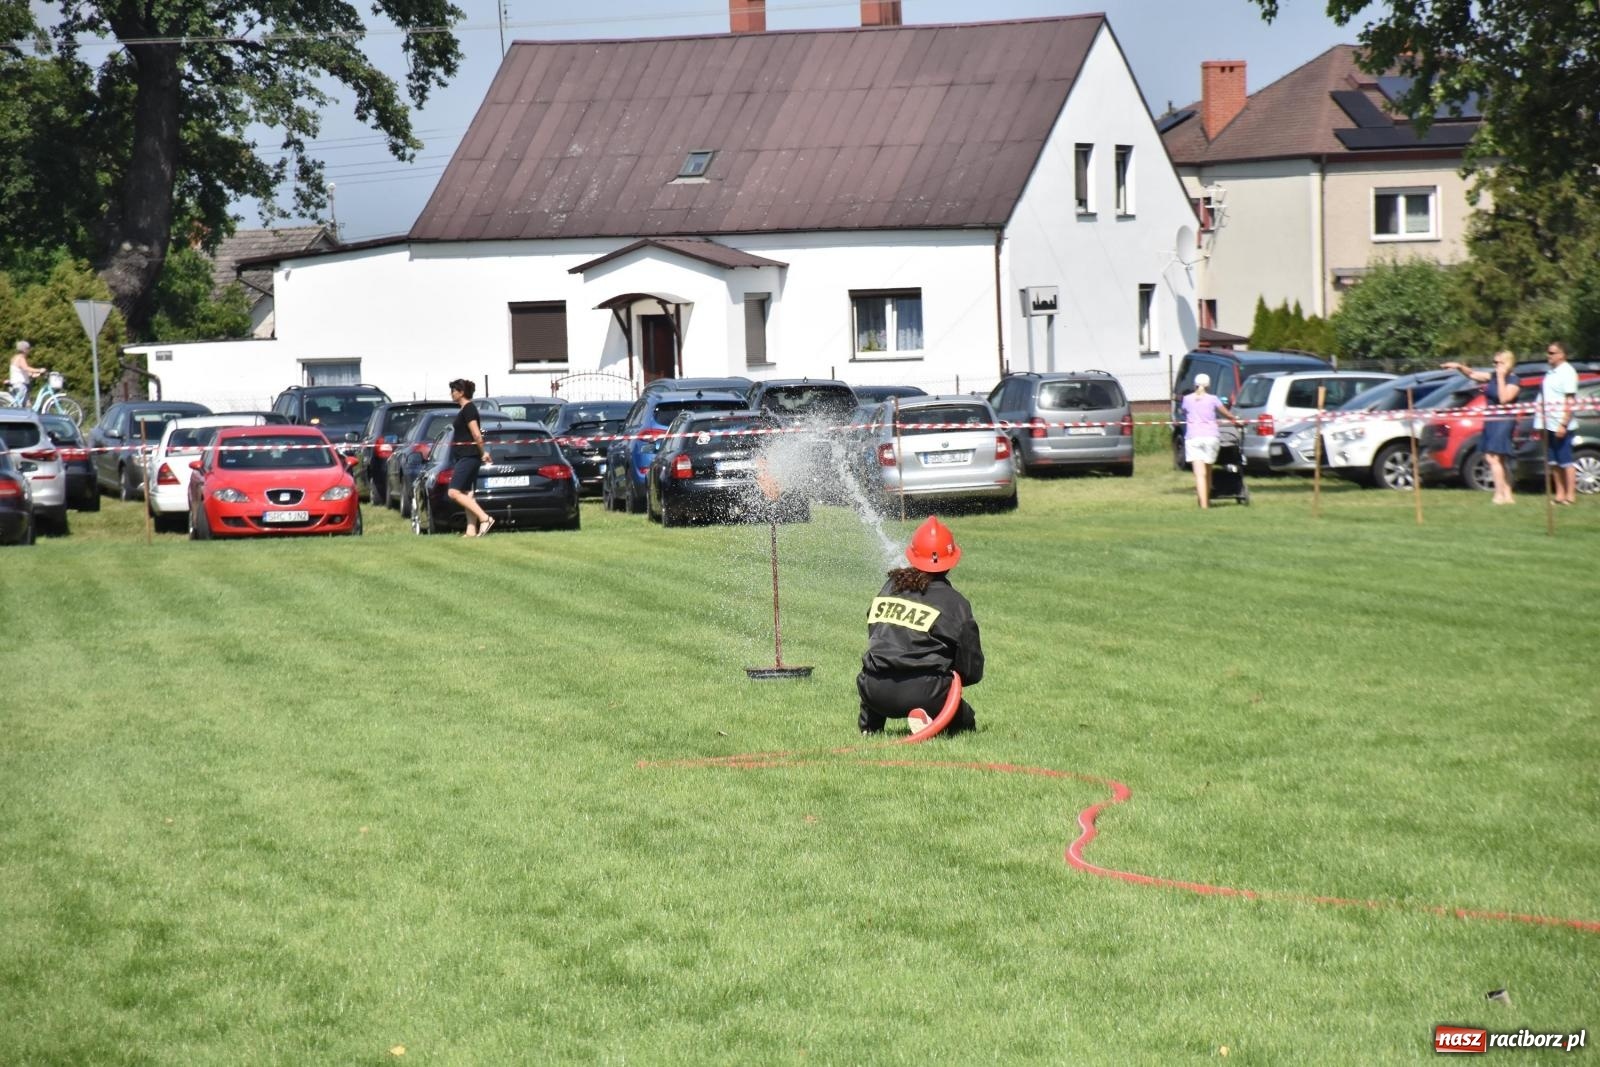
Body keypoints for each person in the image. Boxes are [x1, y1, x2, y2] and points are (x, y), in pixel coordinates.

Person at [857, 516, 984, 737]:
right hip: (925, 694)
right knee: (965, 721)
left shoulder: (890, 587)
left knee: (878, 666)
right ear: (950, 561)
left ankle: (869, 728)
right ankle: (927, 718)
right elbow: (971, 669)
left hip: (873, 689)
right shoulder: (956, 603)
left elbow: (874, 634)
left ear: (913, 556)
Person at [1442, 352, 1521, 504]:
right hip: (1491, 420)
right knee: (1497, 459)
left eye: (1498, 363)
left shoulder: (1514, 380)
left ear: (1507, 363)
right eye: (1494, 362)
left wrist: (1500, 378)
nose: (1494, 365)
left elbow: (1504, 399)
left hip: (1503, 421)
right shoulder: (1492, 376)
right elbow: (1472, 374)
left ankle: (1499, 494)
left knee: (1493, 457)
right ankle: (1507, 495)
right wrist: (1459, 367)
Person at [1181, 373, 1243, 509]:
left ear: (1194, 385)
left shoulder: (1187, 399)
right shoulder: (1213, 399)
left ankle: (1203, 504)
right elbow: (1226, 413)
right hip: (1211, 437)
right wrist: (1236, 420)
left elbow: (1184, 412)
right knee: (1207, 471)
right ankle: (1206, 501)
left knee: (1199, 474)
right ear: (1208, 385)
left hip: (1193, 437)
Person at [447, 377, 496, 536]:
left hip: (469, 456)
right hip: (464, 456)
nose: (451, 393)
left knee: (453, 492)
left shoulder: (469, 409)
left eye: (453, 390)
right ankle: (471, 531)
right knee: (467, 493)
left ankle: (485, 518)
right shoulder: (464, 409)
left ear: (461, 392)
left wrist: (483, 452)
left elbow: (476, 434)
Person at [1535, 342, 1579, 506]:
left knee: (1566, 461)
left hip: (1561, 424)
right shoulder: (1550, 373)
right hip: (1548, 424)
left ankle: (1570, 496)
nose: (1549, 355)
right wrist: (1540, 424)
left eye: (1552, 353)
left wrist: (1563, 424)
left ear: (1562, 355)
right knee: (1553, 462)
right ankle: (1559, 495)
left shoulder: (1568, 372)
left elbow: (1570, 401)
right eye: (1548, 352)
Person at [8, 341, 42, 406]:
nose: (29, 350)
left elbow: (22, 371)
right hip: (20, 384)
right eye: (28, 348)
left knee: (28, 405)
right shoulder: (20, 358)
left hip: (18, 383)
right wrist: (39, 370)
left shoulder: (15, 357)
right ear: (24, 350)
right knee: (19, 405)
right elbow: (26, 368)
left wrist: (34, 375)